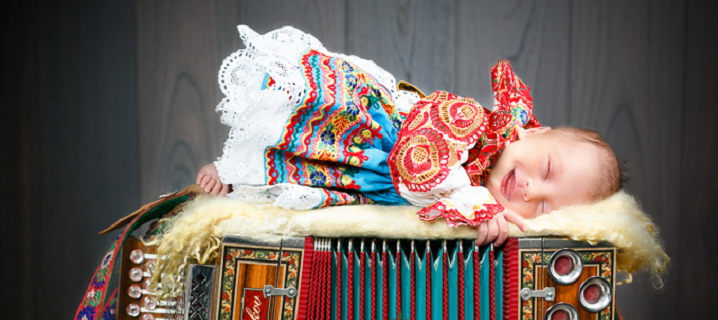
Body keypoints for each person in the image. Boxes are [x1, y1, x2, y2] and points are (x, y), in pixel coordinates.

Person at [197, 26, 624, 246]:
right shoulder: (472, 121)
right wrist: (474, 204)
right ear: (535, 131)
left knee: (301, 178)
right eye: (547, 168)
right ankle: (230, 163)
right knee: (298, 124)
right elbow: (416, 165)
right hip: (368, 131)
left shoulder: (482, 193)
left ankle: (242, 177)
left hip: (363, 177)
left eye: (545, 207)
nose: (530, 191)